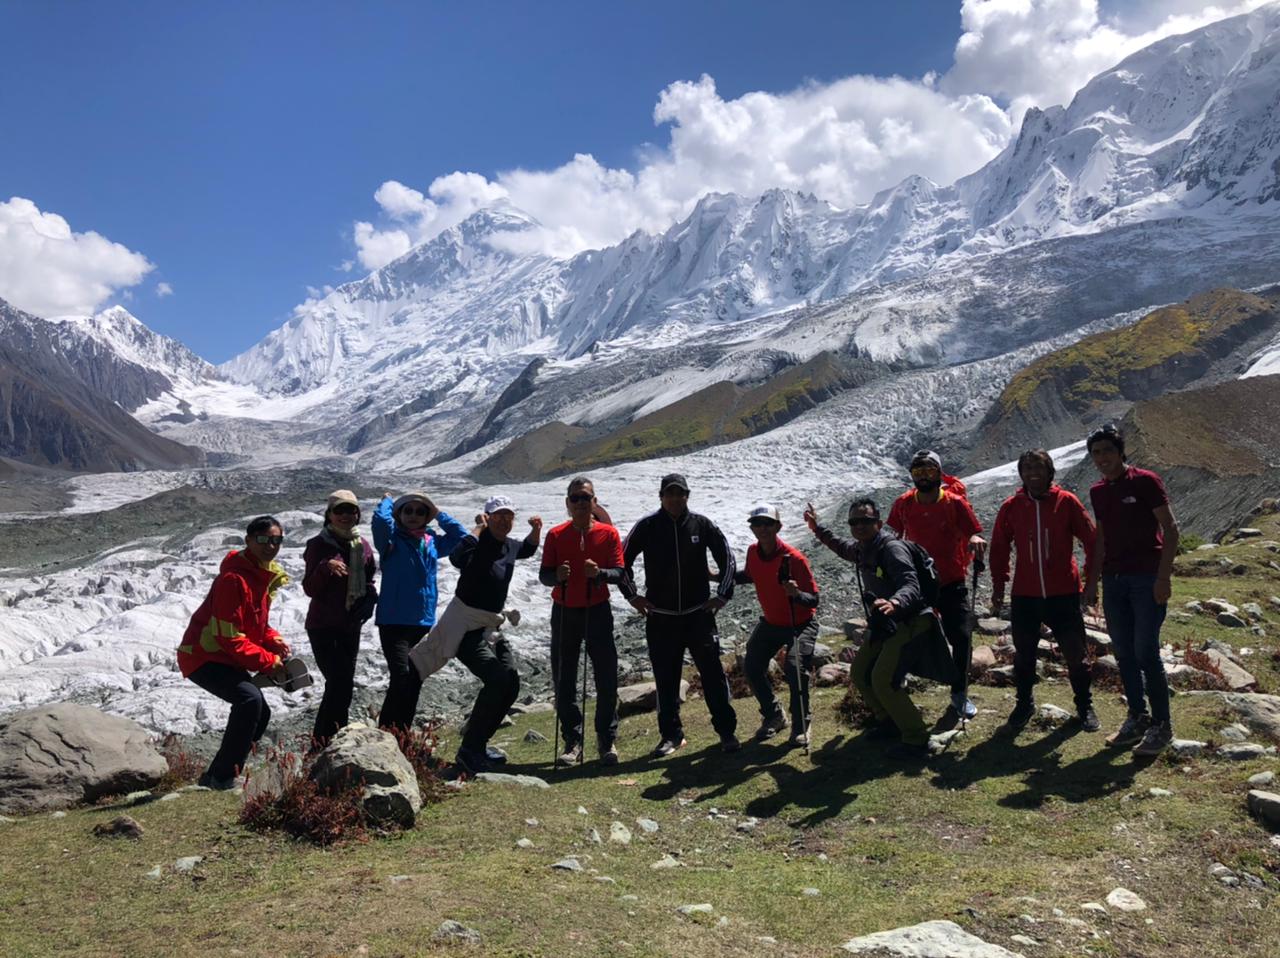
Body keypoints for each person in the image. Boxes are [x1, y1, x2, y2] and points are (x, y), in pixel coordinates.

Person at [413, 495, 541, 774]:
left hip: (491, 626)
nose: (504, 520)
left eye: (508, 516)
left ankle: (478, 744)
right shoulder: (475, 543)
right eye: (497, 515)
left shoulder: (508, 546)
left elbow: (528, 550)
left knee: (511, 682)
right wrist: (477, 530)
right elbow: (458, 558)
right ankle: (470, 749)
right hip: (466, 628)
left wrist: (536, 530)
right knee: (497, 679)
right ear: (487, 517)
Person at [621, 473, 739, 757]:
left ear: (687, 495)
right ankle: (671, 736)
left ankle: (726, 732)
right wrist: (632, 595)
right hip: (661, 617)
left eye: (681, 493)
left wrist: (723, 595)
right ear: (661, 496)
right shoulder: (647, 526)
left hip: (698, 615)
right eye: (670, 493)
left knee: (712, 674)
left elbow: (727, 557)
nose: (675, 498)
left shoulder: (701, 524)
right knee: (665, 679)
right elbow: (620, 560)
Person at [806, 498, 933, 760]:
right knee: (860, 671)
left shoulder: (892, 549)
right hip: (884, 623)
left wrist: (896, 601)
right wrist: (817, 529)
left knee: (882, 680)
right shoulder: (863, 549)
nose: (859, 526)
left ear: (879, 523)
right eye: (854, 521)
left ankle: (916, 737)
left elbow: (910, 583)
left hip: (907, 620)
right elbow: (841, 547)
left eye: (866, 521)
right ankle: (888, 722)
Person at [1083, 424, 1180, 756]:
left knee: (1145, 652)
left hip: (1145, 578)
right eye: (1096, 453)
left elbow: (1170, 528)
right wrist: (1092, 582)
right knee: (1123, 652)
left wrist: (1163, 578)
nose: (1102, 458)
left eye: (1107, 450)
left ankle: (1162, 726)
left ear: (1120, 451)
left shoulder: (1145, 481)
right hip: (1114, 580)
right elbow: (1102, 540)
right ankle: (1137, 716)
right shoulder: (1098, 491)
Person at [177, 516, 291, 789]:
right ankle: (224, 777)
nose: (270, 545)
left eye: (276, 540)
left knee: (260, 711)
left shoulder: (260, 577)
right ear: (249, 541)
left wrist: (273, 640)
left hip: (222, 656)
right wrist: (268, 662)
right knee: (249, 701)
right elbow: (229, 636)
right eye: (263, 539)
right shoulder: (233, 579)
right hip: (203, 656)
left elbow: (255, 625)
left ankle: (216, 775)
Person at [989, 450, 1099, 732]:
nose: (1032, 472)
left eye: (1038, 467)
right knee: (1024, 654)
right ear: (1020, 473)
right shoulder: (1011, 506)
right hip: (1025, 594)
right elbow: (1000, 548)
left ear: (1050, 471)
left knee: (1075, 653)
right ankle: (1024, 703)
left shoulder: (1066, 502)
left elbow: (1091, 540)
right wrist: (999, 588)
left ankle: (1085, 706)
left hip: (1063, 592)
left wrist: (1091, 582)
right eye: (1026, 468)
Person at [886, 450, 986, 722]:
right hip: (916, 584)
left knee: (962, 637)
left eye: (929, 471)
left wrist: (975, 540)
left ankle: (959, 692)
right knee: (904, 635)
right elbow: (892, 536)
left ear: (939, 473)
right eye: (918, 472)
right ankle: (895, 687)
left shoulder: (954, 503)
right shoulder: (904, 504)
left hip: (951, 580)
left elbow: (973, 531)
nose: (923, 477)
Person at [539, 477, 627, 766]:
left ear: (594, 502)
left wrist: (599, 574)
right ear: (567, 503)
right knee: (565, 678)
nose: (580, 503)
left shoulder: (608, 533)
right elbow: (545, 575)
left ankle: (606, 738)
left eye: (585, 498)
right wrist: (558, 577)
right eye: (575, 498)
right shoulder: (555, 535)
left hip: (597, 608)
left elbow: (619, 572)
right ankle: (573, 740)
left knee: (606, 675)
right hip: (564, 610)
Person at [371, 491, 467, 734]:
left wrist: (438, 513)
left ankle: (399, 735)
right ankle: (388, 733)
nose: (413, 516)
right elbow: (381, 521)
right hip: (394, 622)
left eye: (420, 511)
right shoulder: (390, 541)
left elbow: (462, 538)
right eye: (408, 510)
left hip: (422, 622)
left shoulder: (431, 541)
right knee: (402, 675)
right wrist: (388, 501)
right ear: (399, 514)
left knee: (413, 678)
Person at [735, 503, 820, 747]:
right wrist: (717, 576)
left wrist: (795, 594)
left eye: (767, 524)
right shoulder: (753, 552)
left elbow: (814, 599)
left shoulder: (795, 559)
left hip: (801, 623)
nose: (762, 528)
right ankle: (774, 715)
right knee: (752, 666)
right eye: (756, 524)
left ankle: (802, 722)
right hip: (772, 623)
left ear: (778, 527)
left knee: (794, 667)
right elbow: (749, 575)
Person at [302, 490, 378, 746]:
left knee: (343, 683)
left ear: (357, 514)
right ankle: (322, 742)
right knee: (338, 680)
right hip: (323, 626)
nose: (346, 515)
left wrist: (370, 599)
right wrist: (325, 568)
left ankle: (335, 735)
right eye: (340, 511)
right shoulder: (318, 545)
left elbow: (368, 579)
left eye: (351, 510)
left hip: (350, 624)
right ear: (329, 515)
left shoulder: (362, 545)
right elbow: (310, 588)